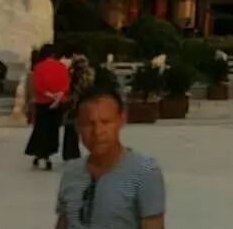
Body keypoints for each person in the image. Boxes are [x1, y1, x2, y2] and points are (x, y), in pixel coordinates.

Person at [56, 87, 165, 229]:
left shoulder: (144, 173)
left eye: (106, 122)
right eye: (89, 124)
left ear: (121, 120)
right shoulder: (71, 172)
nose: (98, 132)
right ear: (78, 126)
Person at [27, 44, 71, 171]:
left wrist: (48, 94)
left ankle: (39, 153)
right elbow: (66, 83)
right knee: (53, 129)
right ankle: (48, 153)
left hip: (42, 102)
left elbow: (38, 85)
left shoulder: (39, 67)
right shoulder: (61, 67)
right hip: (58, 102)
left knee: (41, 128)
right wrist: (58, 95)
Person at [63, 52, 95, 162]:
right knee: (71, 128)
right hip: (73, 104)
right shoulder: (71, 73)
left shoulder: (86, 74)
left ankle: (72, 153)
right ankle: (70, 153)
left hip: (81, 103)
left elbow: (87, 86)